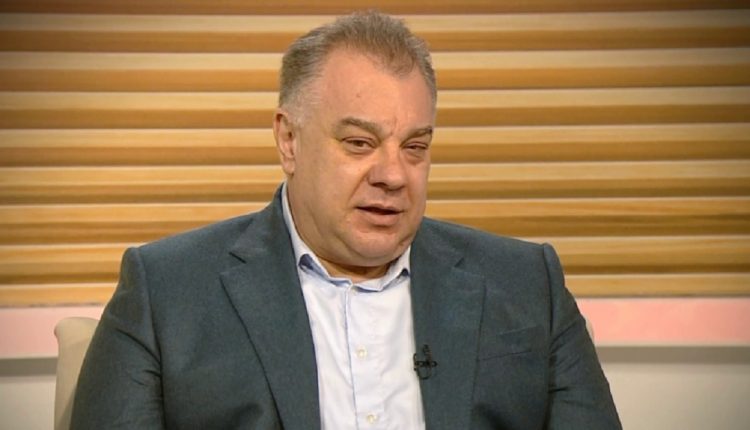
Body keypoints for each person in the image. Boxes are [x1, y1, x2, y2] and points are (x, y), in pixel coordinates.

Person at [72, 11, 621, 429]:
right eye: (359, 143)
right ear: (289, 140)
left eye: (415, 146)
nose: (393, 175)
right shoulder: (166, 293)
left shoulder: (527, 283)